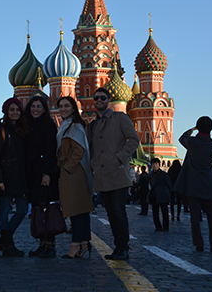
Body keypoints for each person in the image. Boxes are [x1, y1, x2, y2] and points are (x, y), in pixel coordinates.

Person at [88, 88, 140, 261]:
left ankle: (123, 247)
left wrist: (120, 158)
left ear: (108, 100)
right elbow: (91, 148)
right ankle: (118, 247)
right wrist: (93, 164)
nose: (99, 101)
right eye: (96, 98)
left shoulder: (120, 118)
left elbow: (134, 139)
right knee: (110, 212)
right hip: (102, 174)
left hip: (117, 173)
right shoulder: (93, 125)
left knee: (118, 210)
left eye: (102, 98)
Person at [173, 116, 212, 252]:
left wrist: (192, 129)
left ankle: (198, 244)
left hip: (194, 184)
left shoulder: (192, 142)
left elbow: (181, 138)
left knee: (195, 217)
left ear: (198, 127)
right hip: (211, 184)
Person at [57, 96, 93, 259]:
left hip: (73, 172)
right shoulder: (66, 125)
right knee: (82, 209)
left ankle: (75, 245)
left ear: (73, 108)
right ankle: (84, 243)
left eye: (67, 106)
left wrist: (67, 168)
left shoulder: (74, 126)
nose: (63, 109)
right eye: (61, 106)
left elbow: (79, 151)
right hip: (72, 171)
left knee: (75, 209)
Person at [0, 97, 29, 257]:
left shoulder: (23, 130)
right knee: (5, 209)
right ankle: (8, 245)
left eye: (17, 110)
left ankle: (4, 240)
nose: (15, 112)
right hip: (6, 176)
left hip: (20, 176)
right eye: (12, 109)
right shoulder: (0, 129)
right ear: (6, 111)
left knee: (22, 209)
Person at [25, 96, 59, 258]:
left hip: (45, 173)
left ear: (45, 109)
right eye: (33, 106)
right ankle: (41, 243)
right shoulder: (28, 125)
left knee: (47, 208)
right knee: (38, 208)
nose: (35, 109)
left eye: (39, 106)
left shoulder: (49, 126)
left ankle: (50, 245)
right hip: (32, 173)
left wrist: (47, 173)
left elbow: (50, 151)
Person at [149, 157, 172, 232]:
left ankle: (165, 227)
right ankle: (158, 227)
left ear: (159, 165)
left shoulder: (163, 174)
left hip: (163, 195)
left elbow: (169, 185)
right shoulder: (151, 174)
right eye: (153, 164)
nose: (155, 165)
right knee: (155, 212)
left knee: (164, 212)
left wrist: (169, 194)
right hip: (154, 196)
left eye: (156, 164)